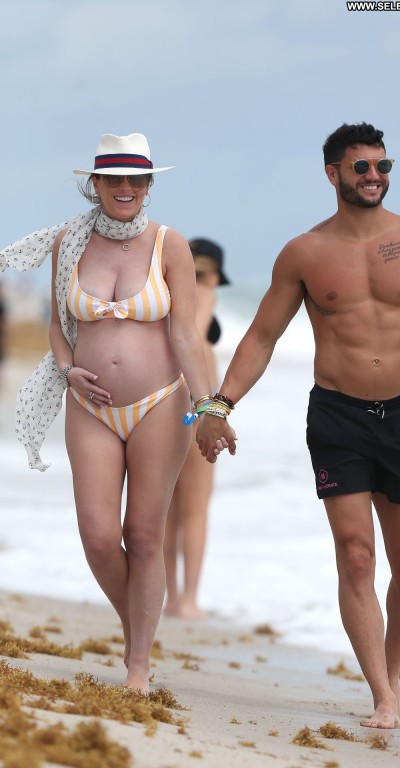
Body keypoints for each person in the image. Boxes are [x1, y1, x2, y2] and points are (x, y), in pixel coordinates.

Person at [196, 122, 400, 729]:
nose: (374, 176)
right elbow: (262, 336)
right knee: (356, 556)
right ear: (332, 173)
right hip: (337, 416)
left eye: (383, 166)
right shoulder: (305, 253)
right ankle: (383, 696)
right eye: (361, 167)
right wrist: (219, 405)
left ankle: (391, 667)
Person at [0, 133, 213, 692]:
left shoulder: (170, 245)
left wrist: (210, 405)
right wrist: (67, 368)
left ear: (147, 184)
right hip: (88, 406)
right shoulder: (68, 242)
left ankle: (138, 664)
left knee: (142, 535)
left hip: (159, 404)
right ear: (94, 184)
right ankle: (137, 626)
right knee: (98, 538)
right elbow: (58, 324)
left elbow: (186, 335)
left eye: (135, 179)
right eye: (113, 178)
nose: (124, 188)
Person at [163, 238, 230, 618]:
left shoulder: (168, 298)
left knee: (169, 511)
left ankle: (172, 598)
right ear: (215, 274)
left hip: (167, 410)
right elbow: (197, 342)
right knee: (194, 511)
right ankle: (187, 600)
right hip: (193, 412)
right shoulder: (203, 296)